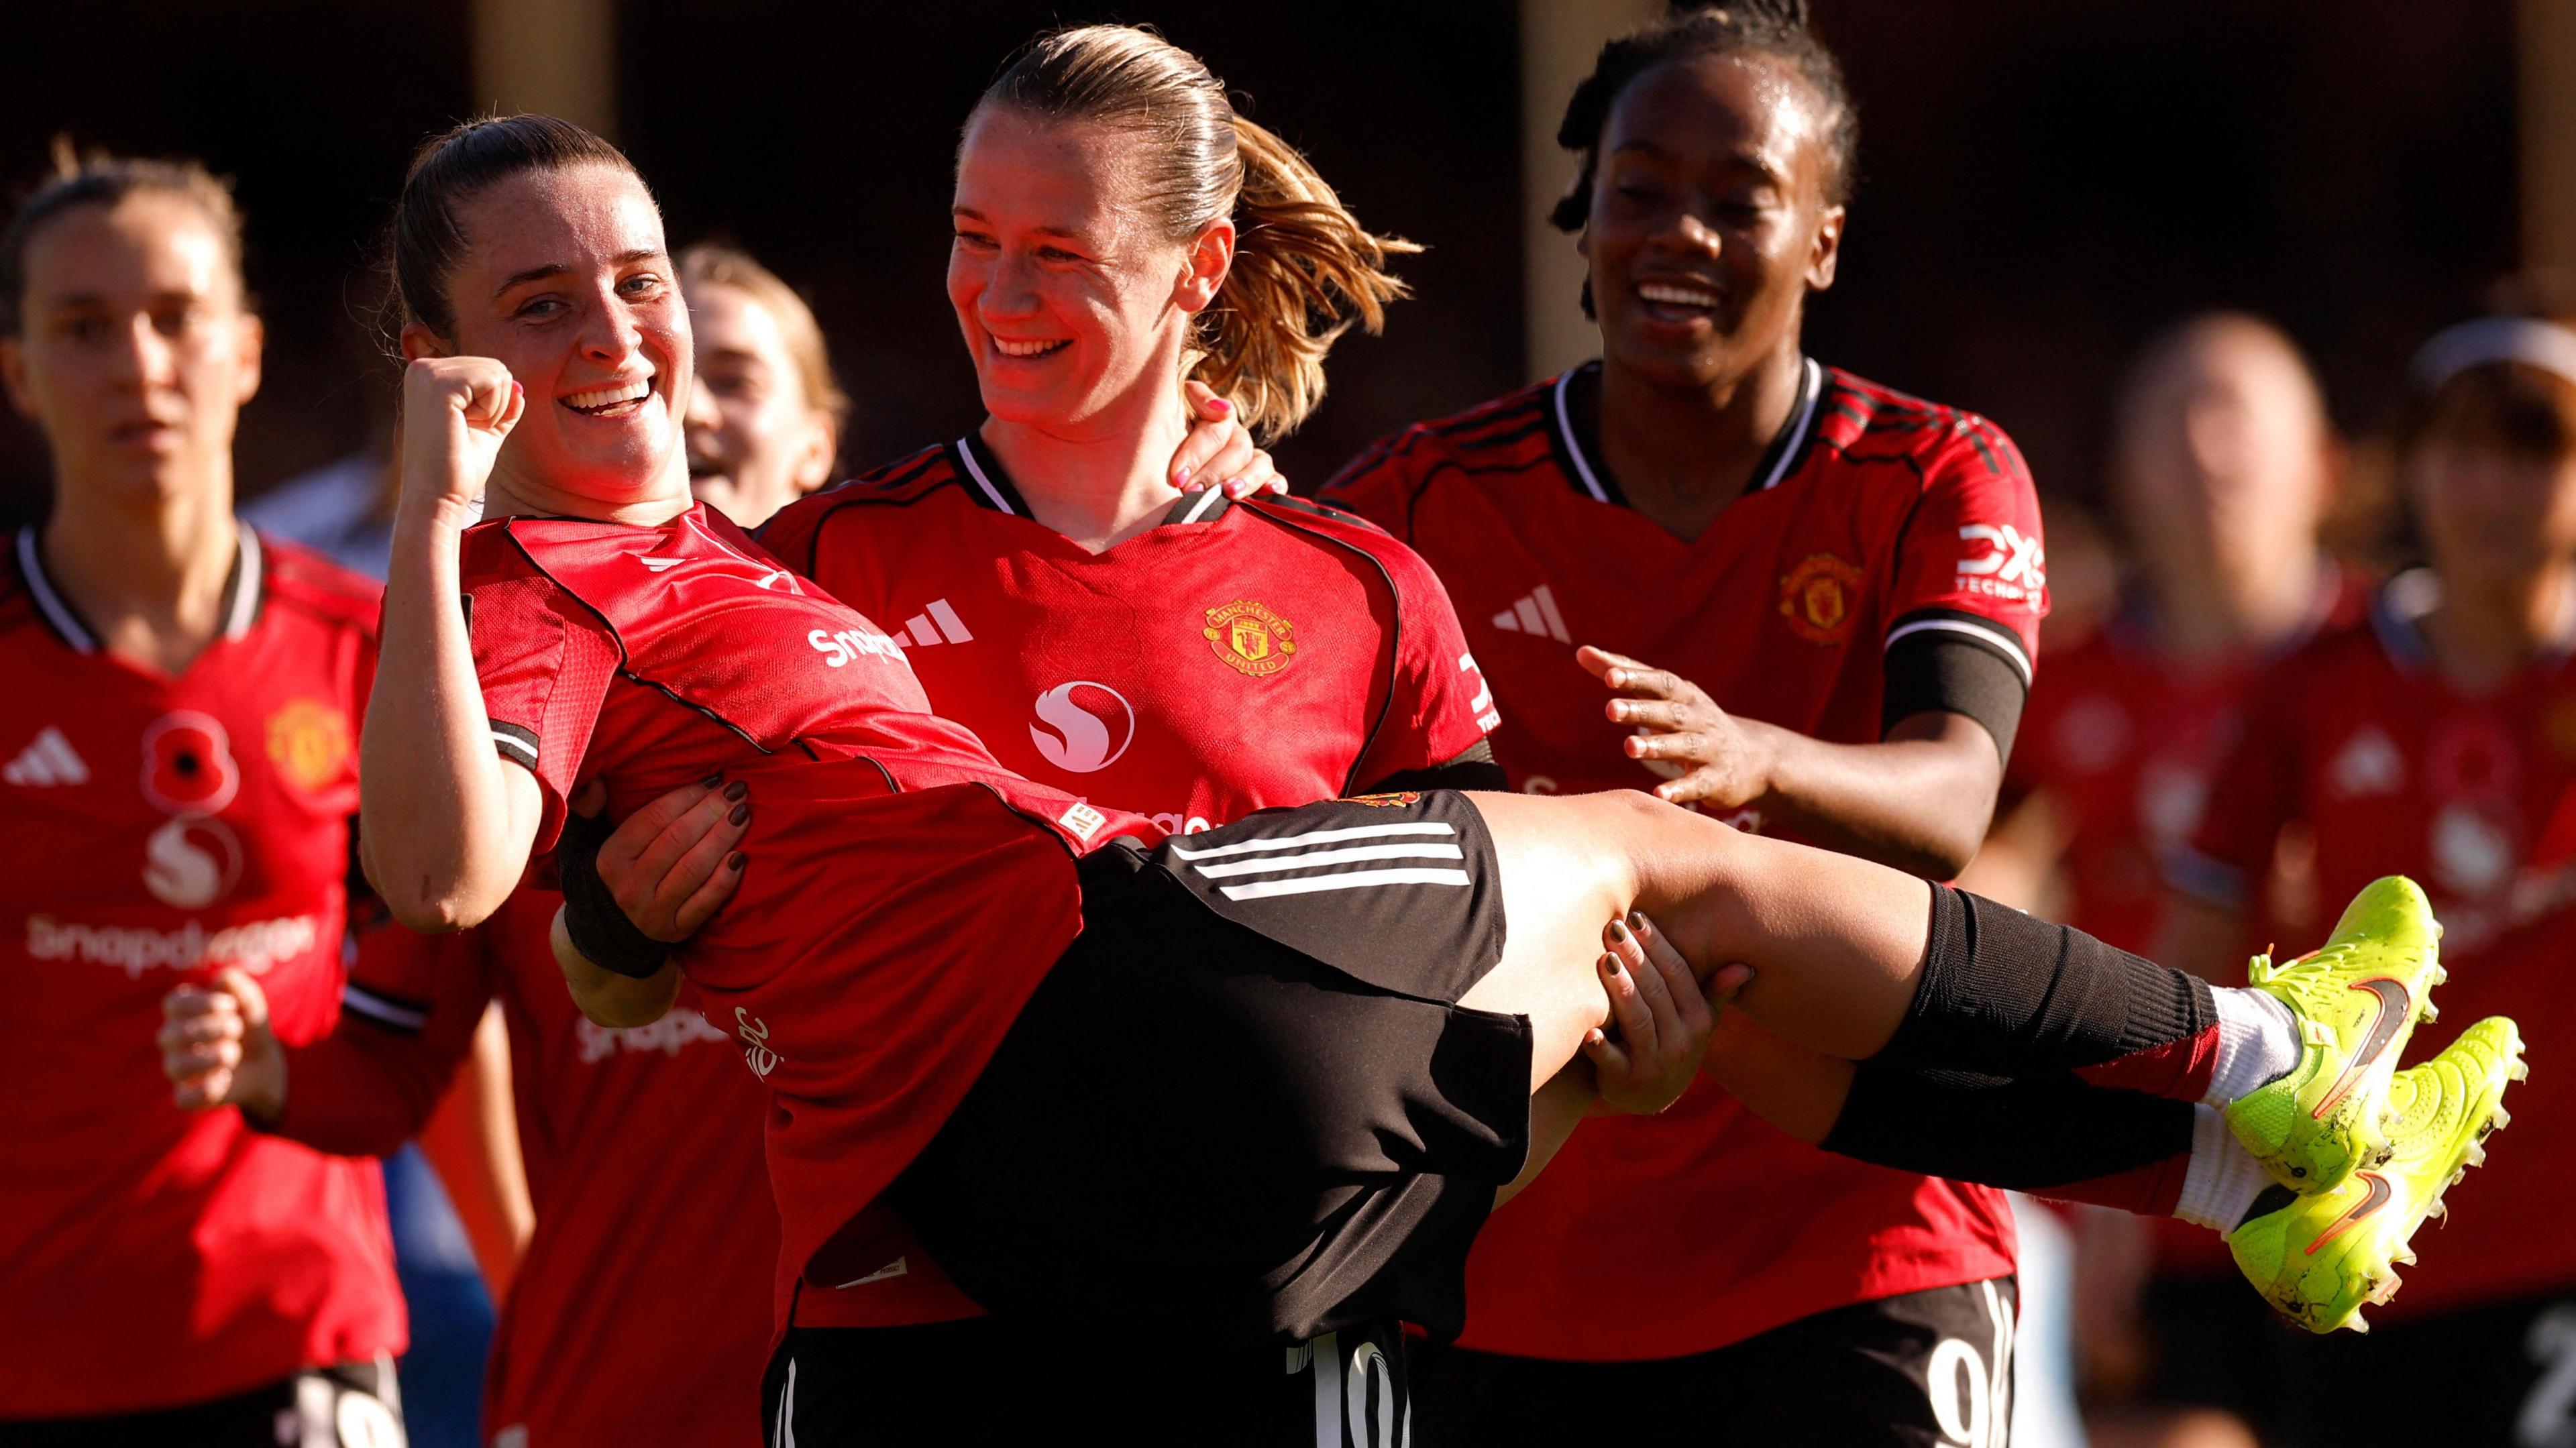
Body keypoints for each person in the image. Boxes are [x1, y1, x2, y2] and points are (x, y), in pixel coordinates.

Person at [354, 107, 2490, 1441]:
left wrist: (1609, 1068)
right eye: (969, 240)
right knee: (1668, 859)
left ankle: (2247, 1166)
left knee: (1676, 921)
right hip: (963, 1261)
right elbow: (554, 921)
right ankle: (2250, 1082)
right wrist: (622, 916)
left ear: (1193, 272)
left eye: (1054, 248)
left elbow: (1492, 1024)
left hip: (1280, 1256)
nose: (996, 292)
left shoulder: (1349, 570)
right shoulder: (814, 553)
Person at [161, 225, 1280, 1444]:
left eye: (731, 376)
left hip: (923, 1356)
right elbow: (401, 1035)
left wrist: (1210, 478)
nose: (675, 405)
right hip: (622, 1385)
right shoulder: (518, 681)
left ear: (821, 441)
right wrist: (284, 1065)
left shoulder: (916, 669)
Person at [1319, 5, 2029, 1439]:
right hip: (1514, 1263)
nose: (1681, 234)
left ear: (1822, 236)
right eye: (1640, 190)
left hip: (1858, 1245)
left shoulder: (1936, 472)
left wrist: (1756, 754)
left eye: (1740, 198)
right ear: (1582, 216)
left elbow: (1955, 796)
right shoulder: (1417, 504)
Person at [0, 146, 407, 1441]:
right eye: (83, 326)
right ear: (18, 372)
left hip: (304, 1337)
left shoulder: (372, 647)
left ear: (243, 349)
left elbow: (435, 1012)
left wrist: (528, 1301)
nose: (137, 362)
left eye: (175, 318)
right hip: (35, 1353)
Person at [2164, 301, 2576, 1446]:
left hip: (2561, 1247)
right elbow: (2205, 918)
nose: (2492, 486)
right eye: (2462, 447)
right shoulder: (2319, 683)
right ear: (2412, 466)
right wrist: (2133, 1205)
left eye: (2535, 450)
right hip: (2353, 1237)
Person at [1986, 314, 2355, 1448]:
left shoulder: (2394, 664)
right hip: (2147, 1209)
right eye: (2173, 417)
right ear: (2119, 467)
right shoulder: (2055, 683)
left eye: (2237, 413)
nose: (2205, 448)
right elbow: (1975, 889)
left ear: (2325, 467)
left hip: (2369, 1192)